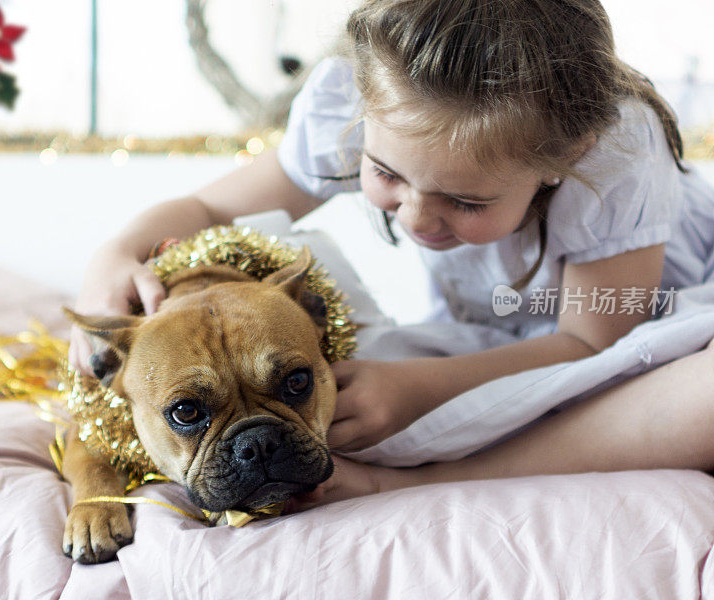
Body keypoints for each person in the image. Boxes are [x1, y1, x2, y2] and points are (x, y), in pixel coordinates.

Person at [69, 0, 714, 507]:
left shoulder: (615, 155)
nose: (416, 216)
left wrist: (415, 389)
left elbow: (590, 345)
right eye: (385, 173)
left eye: (465, 201)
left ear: (564, 158)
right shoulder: (357, 99)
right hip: (499, 328)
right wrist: (117, 251)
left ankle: (433, 482)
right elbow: (207, 212)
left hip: (633, 321)